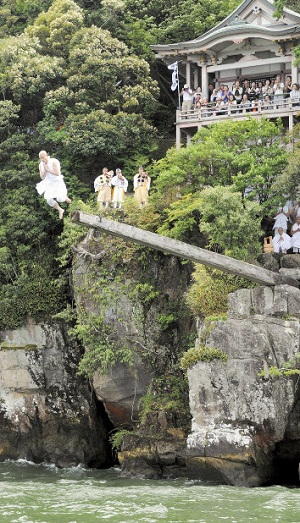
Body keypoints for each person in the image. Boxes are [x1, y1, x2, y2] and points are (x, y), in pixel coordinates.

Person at [36, 150, 71, 220]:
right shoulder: (41, 165)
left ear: (46, 155)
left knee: (60, 199)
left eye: (43, 157)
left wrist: (48, 169)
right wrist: (45, 170)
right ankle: (60, 209)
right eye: (40, 158)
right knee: (49, 200)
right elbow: (42, 177)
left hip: (57, 181)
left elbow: (57, 173)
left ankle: (67, 199)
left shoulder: (54, 161)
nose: (42, 159)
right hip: (49, 183)